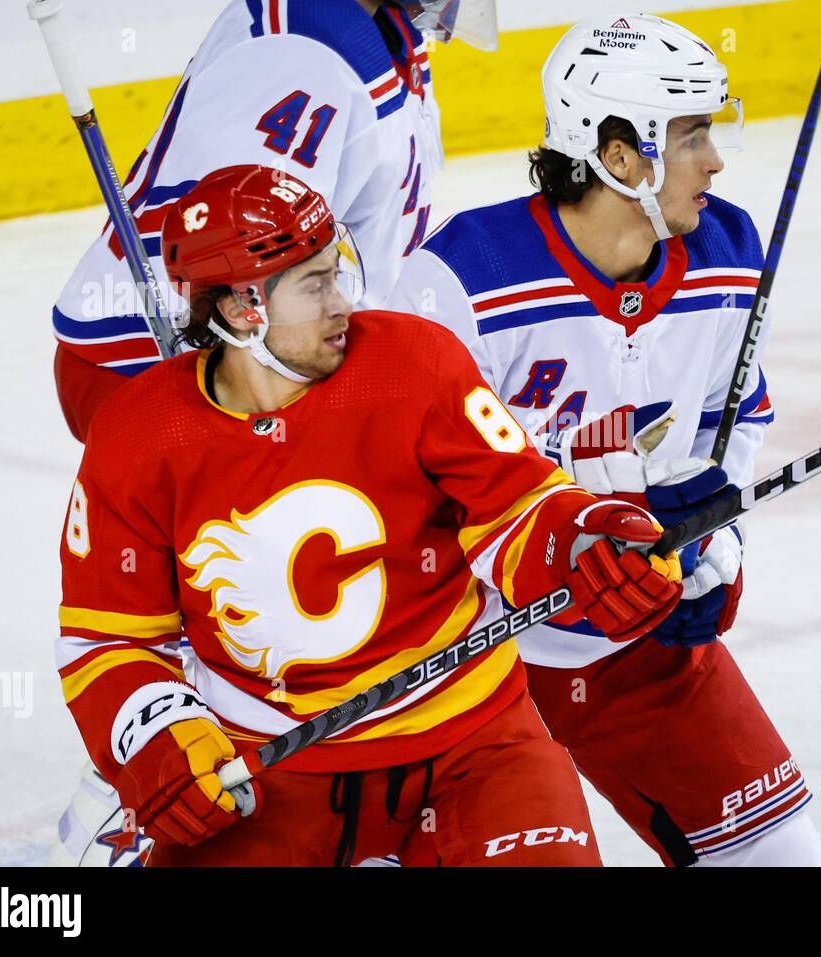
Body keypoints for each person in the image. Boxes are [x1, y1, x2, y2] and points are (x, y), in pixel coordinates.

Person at [56, 164, 683, 866]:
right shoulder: (137, 436)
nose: (342, 303)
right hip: (270, 767)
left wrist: (581, 543)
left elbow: (519, 504)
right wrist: (153, 729)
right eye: (314, 284)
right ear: (240, 310)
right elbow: (104, 641)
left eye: (338, 270)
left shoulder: (412, 362)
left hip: (471, 743)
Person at [48, 0, 494, 864]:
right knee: (219, 604)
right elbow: (240, 244)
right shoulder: (310, 51)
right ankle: (130, 805)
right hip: (155, 365)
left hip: (268, 352)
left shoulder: (382, 40)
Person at [389, 13, 821, 866]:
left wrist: (714, 542)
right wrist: (564, 548)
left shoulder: (731, 252)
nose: (715, 158)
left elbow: (727, 426)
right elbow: (400, 492)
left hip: (636, 633)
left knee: (783, 859)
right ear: (619, 155)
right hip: (468, 660)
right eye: (693, 132)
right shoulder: (462, 280)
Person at [49, 0, 498, 442]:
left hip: (289, 356)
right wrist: (250, 411)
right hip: (166, 372)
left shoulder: (387, 26)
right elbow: (239, 249)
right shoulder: (300, 53)